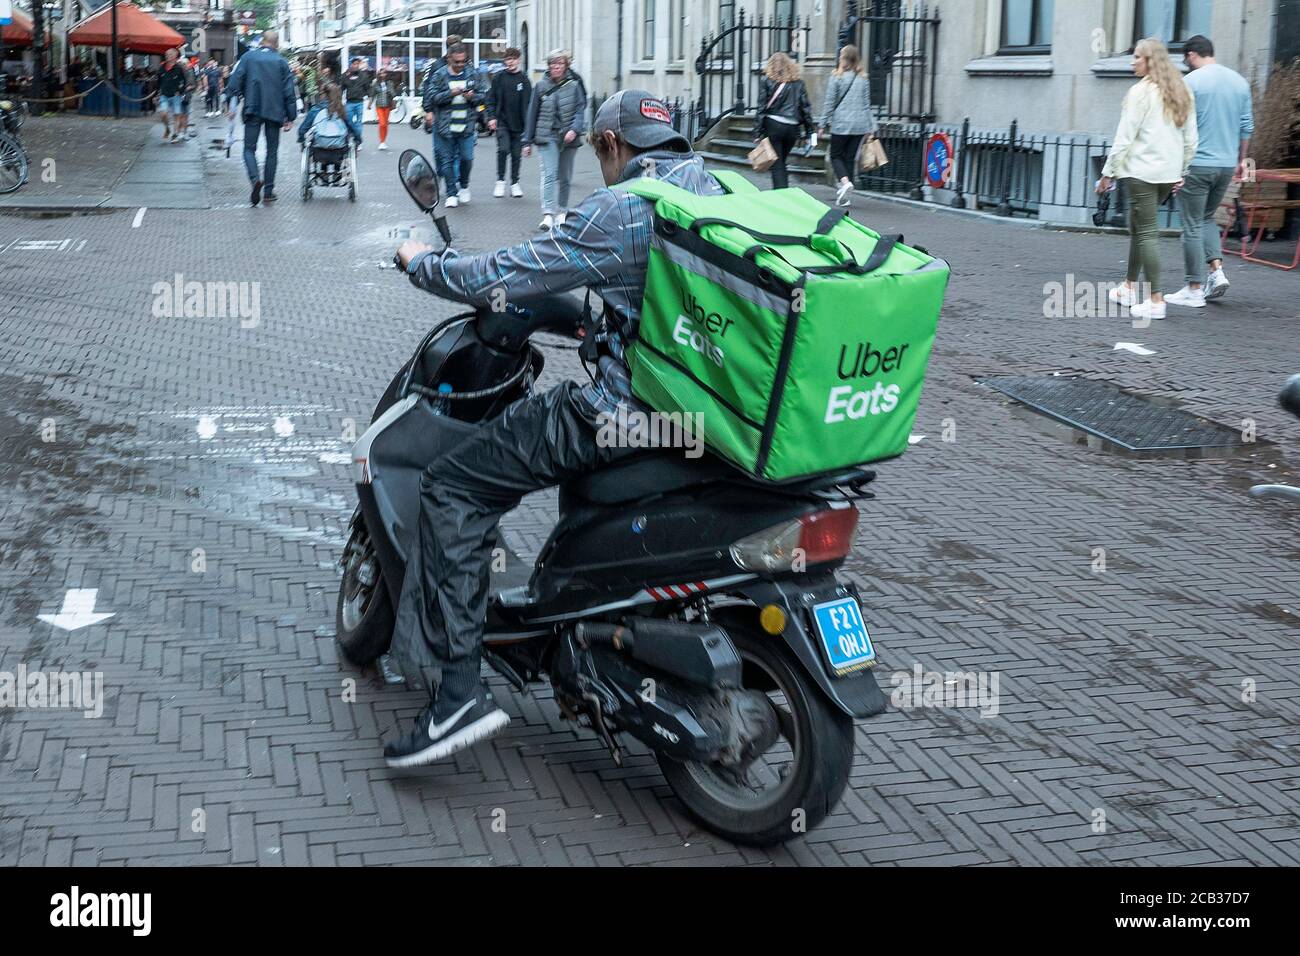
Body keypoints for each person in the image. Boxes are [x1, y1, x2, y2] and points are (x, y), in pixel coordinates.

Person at [384, 91, 723, 767]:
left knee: (453, 485)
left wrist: (420, 260)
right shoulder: (719, 189)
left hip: (624, 418)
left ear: (608, 145)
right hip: (706, 419)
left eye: (598, 153)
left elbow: (502, 276)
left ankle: (456, 696)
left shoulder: (626, 207)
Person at [1098, 37, 1197, 322]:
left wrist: (1108, 172)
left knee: (1147, 232)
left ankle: (1156, 300)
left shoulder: (1140, 93)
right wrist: (1182, 171)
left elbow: (1124, 137)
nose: (1133, 62)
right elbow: (1191, 139)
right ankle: (1129, 287)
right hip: (1167, 173)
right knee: (1139, 227)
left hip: (1142, 172)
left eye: (1138, 57)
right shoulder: (1182, 90)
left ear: (1151, 61)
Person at [1165, 35, 1254, 308]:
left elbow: (1176, 126)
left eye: (1186, 59)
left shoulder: (1190, 82)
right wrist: (1242, 160)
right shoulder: (1239, 82)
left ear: (1192, 55)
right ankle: (1216, 273)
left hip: (1197, 164)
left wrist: (1174, 166)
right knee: (1206, 220)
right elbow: (1246, 126)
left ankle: (1193, 287)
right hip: (1226, 165)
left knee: (1191, 225)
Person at [225, 30, 299, 207]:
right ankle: (268, 192)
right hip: (274, 111)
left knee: (248, 149)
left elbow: (234, 82)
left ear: (262, 41)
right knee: (272, 151)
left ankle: (255, 179)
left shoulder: (248, 57)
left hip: (252, 108)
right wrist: (290, 116)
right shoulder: (282, 62)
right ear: (276, 43)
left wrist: (230, 103)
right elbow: (289, 91)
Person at [522, 50, 588, 229]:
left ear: (566, 66)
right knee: (549, 174)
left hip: (569, 137)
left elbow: (580, 109)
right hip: (547, 135)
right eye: (553, 64)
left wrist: (575, 129)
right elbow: (531, 113)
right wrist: (526, 141)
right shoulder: (541, 86)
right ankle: (548, 214)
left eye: (559, 64)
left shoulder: (574, 85)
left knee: (565, 177)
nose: (556, 67)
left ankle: (562, 211)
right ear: (549, 66)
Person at [425, 43, 491, 208]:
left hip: (466, 126)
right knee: (446, 160)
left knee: (467, 158)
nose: (460, 65)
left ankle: (464, 184)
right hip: (445, 127)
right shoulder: (439, 75)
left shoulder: (472, 74)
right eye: (457, 62)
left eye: (463, 61)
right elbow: (432, 97)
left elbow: (483, 96)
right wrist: (450, 94)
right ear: (449, 59)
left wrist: (472, 97)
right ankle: (451, 193)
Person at [817, 44, 877, 207]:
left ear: (843, 58)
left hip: (841, 124)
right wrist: (871, 127)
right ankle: (847, 195)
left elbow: (829, 103)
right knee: (849, 158)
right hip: (860, 125)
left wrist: (822, 124)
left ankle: (845, 183)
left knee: (835, 155)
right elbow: (866, 105)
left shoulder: (836, 77)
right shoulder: (863, 78)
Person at [488, 47, 531, 197]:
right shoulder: (499, 78)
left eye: (513, 59)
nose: (510, 62)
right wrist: (492, 117)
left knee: (516, 154)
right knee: (503, 149)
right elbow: (491, 99)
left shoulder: (524, 80)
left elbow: (529, 105)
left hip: (519, 124)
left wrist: (529, 127)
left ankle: (514, 183)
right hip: (502, 122)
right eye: (508, 59)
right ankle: (500, 181)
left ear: (519, 60)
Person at [156, 49, 193, 144]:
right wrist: (156, 94)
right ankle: (167, 128)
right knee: (163, 113)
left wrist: (180, 91)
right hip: (164, 95)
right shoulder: (162, 67)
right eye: (167, 54)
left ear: (175, 56)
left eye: (171, 54)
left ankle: (175, 134)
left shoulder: (179, 68)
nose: (168, 56)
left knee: (177, 115)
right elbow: (158, 82)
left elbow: (184, 81)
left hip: (175, 95)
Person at [342, 57, 372, 150]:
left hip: (359, 102)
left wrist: (370, 100)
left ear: (359, 65)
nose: (355, 65)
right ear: (351, 64)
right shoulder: (346, 75)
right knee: (349, 122)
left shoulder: (363, 75)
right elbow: (341, 88)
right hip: (349, 103)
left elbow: (368, 88)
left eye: (357, 64)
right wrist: (338, 100)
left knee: (358, 123)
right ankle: (350, 139)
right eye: (354, 64)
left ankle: (358, 142)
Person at [371, 70, 398, 151]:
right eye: (381, 73)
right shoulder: (376, 83)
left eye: (384, 73)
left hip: (387, 106)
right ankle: (381, 142)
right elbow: (373, 94)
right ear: (379, 74)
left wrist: (390, 91)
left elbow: (393, 94)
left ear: (386, 74)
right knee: (382, 124)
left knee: (385, 124)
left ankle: (383, 141)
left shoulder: (389, 83)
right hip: (379, 105)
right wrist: (369, 104)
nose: (383, 75)